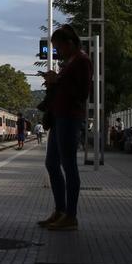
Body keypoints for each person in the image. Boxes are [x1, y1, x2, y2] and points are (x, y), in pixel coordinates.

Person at [37, 25, 91, 232]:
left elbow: (82, 93)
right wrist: (55, 81)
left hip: (70, 117)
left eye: (58, 47)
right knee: (52, 163)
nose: (57, 52)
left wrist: (57, 80)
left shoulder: (82, 61)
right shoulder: (70, 62)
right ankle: (60, 210)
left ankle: (71, 215)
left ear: (69, 43)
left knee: (69, 166)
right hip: (59, 117)